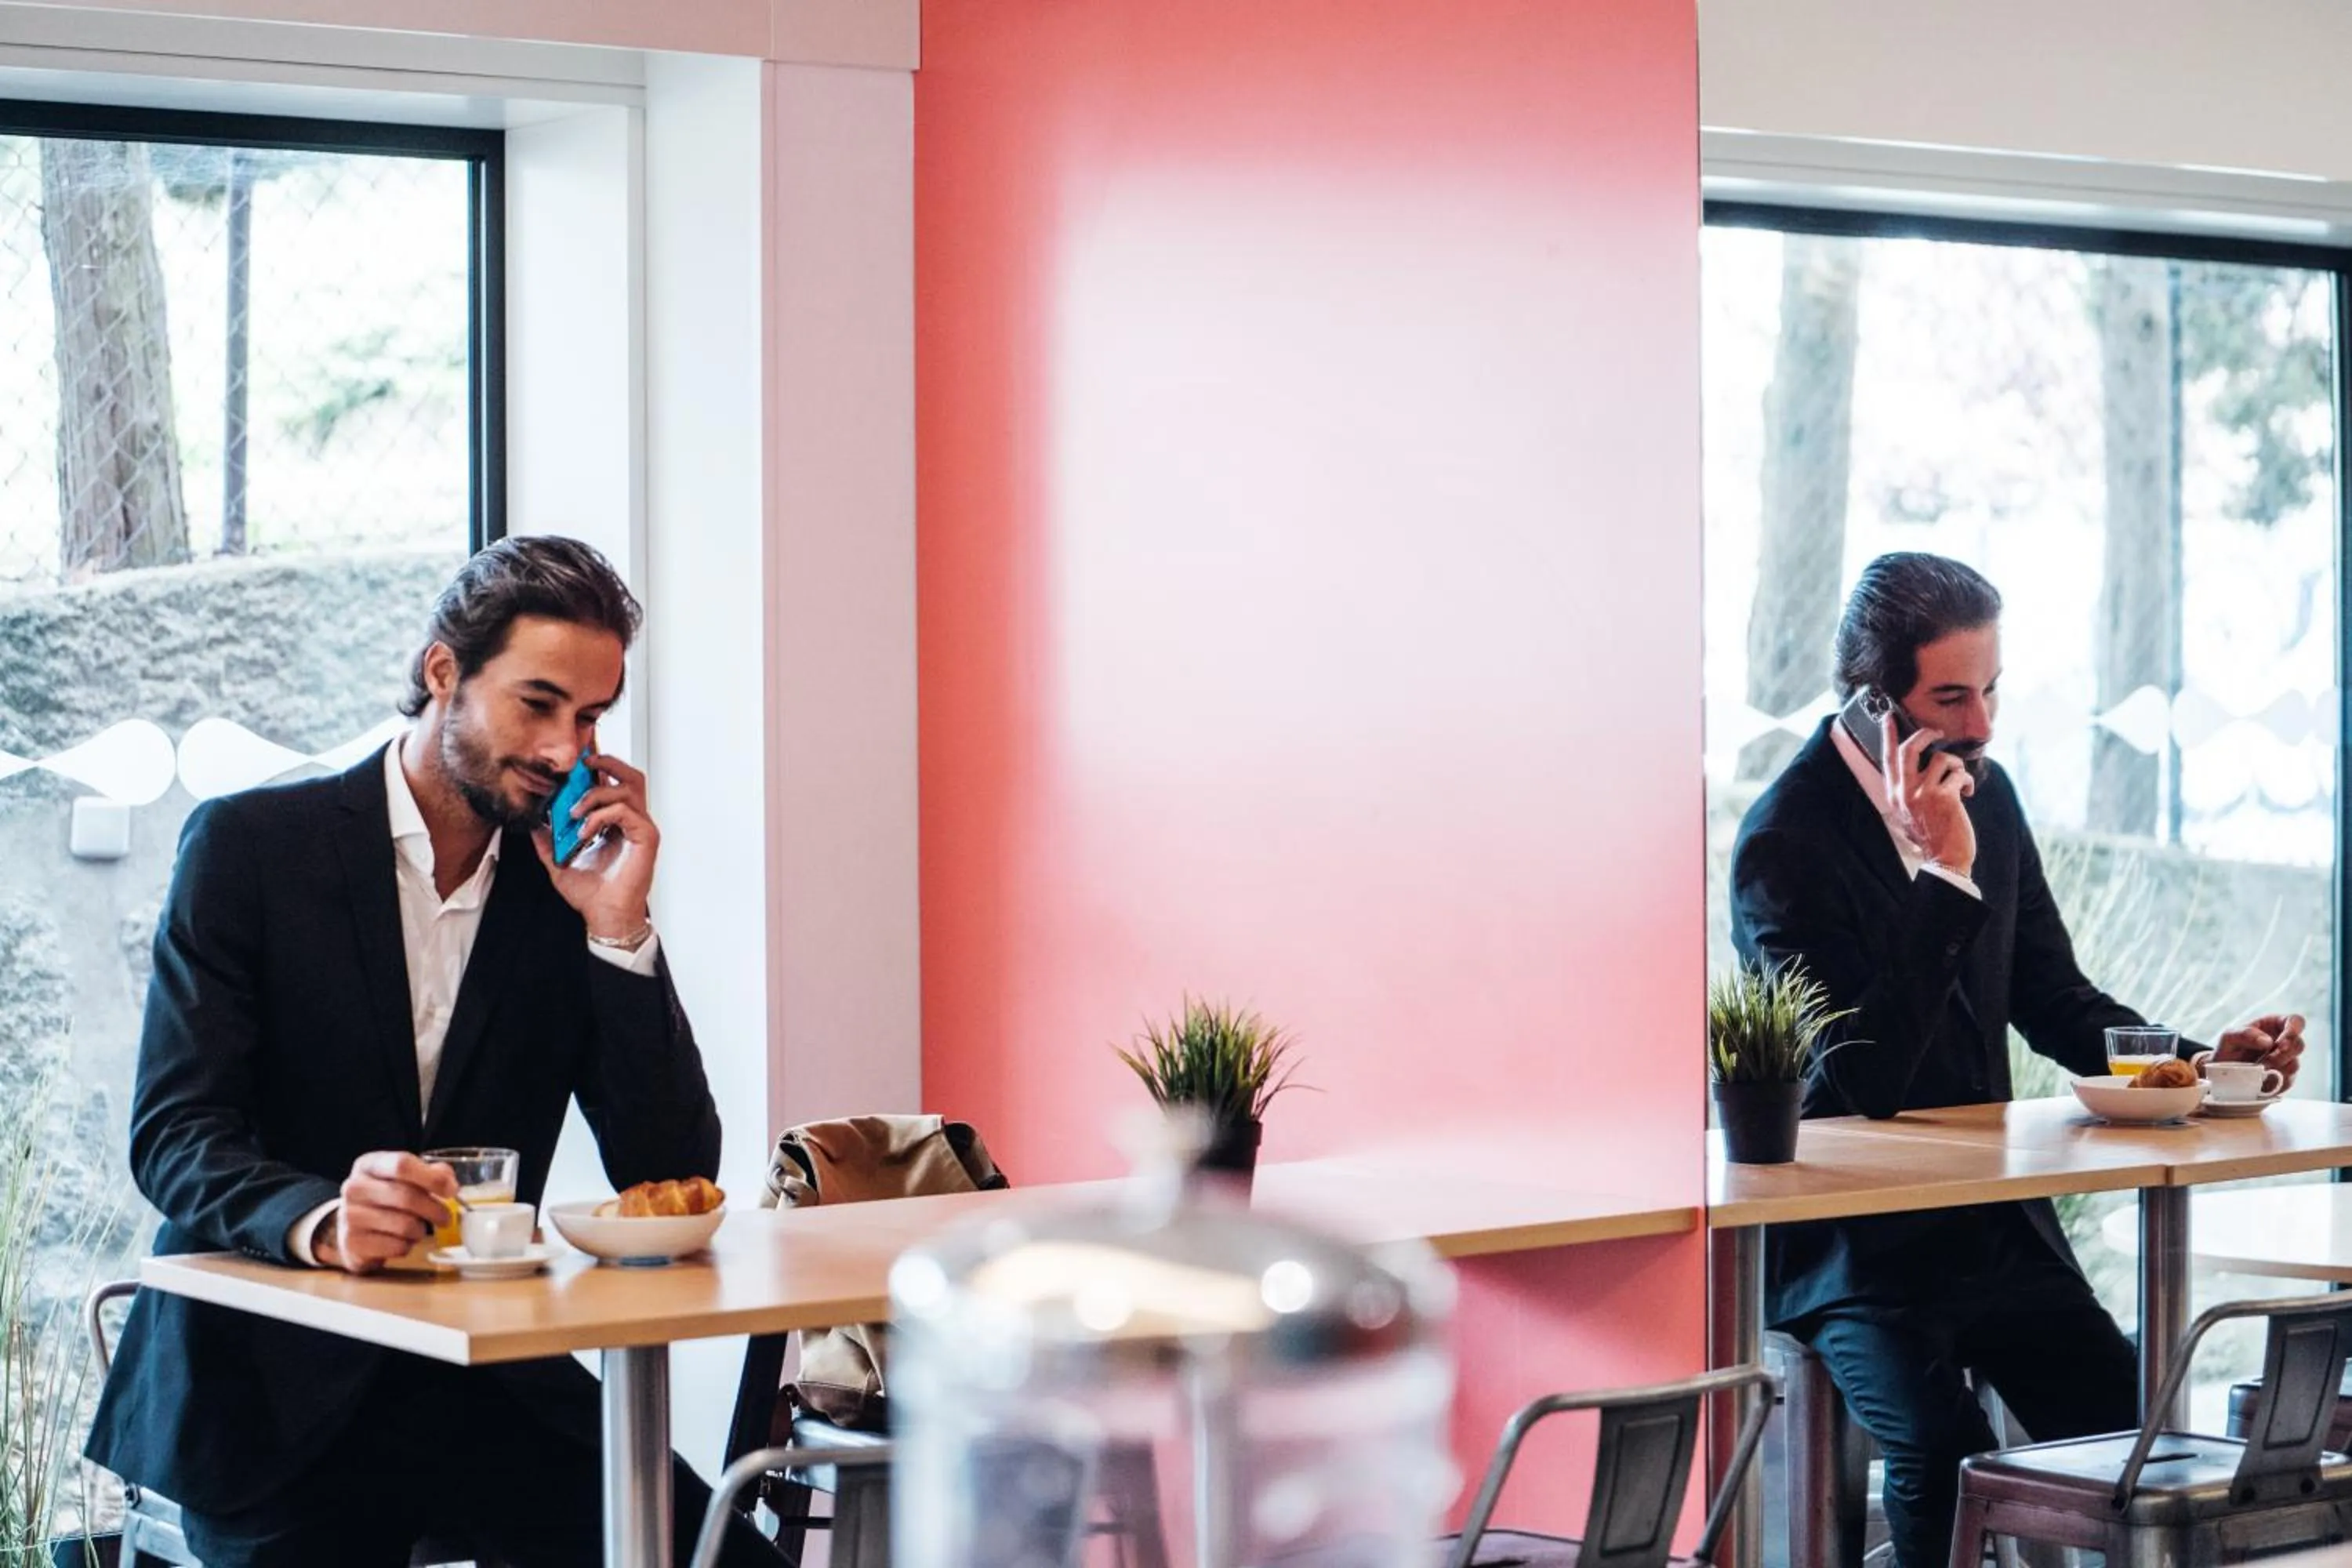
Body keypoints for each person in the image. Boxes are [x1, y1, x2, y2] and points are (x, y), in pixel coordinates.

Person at [85, 537, 783, 1567]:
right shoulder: (251, 850)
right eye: (538, 704)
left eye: (590, 718)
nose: (565, 751)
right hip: (271, 1395)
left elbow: (670, 1169)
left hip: (484, 1378)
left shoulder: (566, 891)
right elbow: (176, 1135)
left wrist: (618, 931)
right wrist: (324, 1218)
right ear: (443, 671)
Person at [1729, 551, 2305, 1568]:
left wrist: (2201, 1066)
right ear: (1873, 701)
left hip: (1993, 1235)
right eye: (1952, 698)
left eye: (1991, 691)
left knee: (2137, 1425)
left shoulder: (1987, 801)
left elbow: (2055, 999)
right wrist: (1946, 878)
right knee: (1942, 1452)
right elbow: (1860, 1080)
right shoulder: (1785, 841)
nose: (1984, 726)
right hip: (1858, 1257)